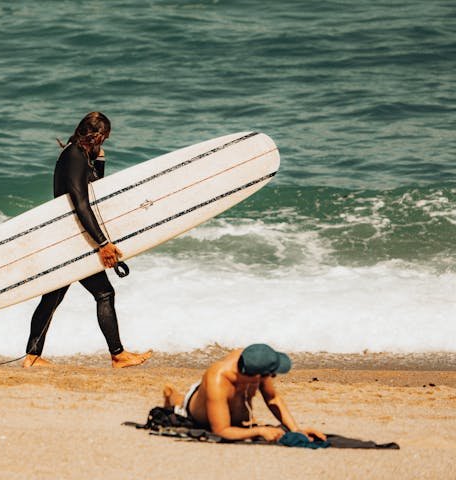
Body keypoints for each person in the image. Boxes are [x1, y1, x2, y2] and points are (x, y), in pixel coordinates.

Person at [23, 112, 152, 369]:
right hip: (72, 239)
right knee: (103, 292)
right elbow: (81, 204)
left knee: (53, 298)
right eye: (104, 139)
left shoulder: (81, 156)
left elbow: (95, 192)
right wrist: (102, 243)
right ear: (96, 135)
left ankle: (32, 356)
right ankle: (117, 355)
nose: (104, 143)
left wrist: (100, 160)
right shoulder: (74, 156)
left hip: (70, 237)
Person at [162, 343, 326, 442]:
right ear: (256, 376)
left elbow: (272, 398)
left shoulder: (255, 361)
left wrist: (296, 430)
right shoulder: (218, 378)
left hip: (235, 412)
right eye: (272, 374)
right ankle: (170, 393)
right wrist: (259, 430)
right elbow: (221, 430)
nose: (273, 377)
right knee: (180, 403)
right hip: (197, 409)